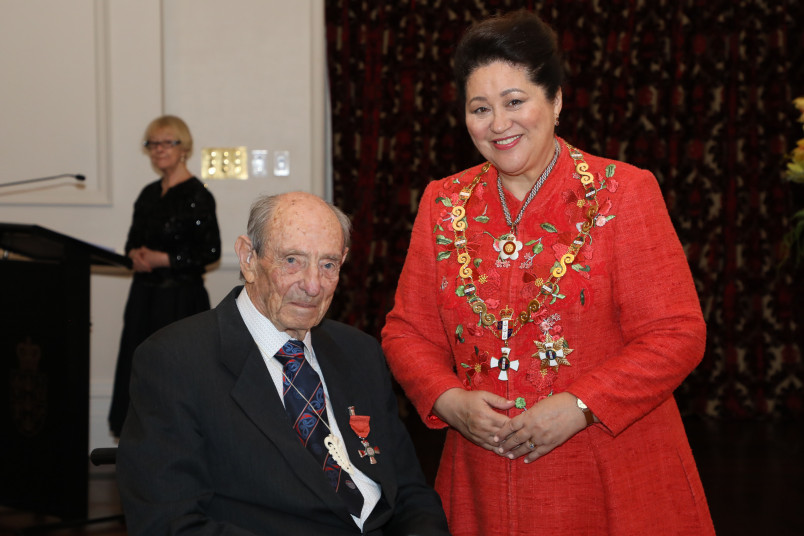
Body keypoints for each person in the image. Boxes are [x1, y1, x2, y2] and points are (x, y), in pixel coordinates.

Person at [382, 10, 715, 536]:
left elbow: (678, 333)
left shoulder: (623, 192)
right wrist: (449, 400)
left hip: (608, 467)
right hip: (481, 475)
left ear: (556, 101)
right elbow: (407, 331)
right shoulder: (443, 202)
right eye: (480, 108)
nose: (498, 124)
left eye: (515, 102)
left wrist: (583, 404)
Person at [117, 191, 450, 535]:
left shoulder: (360, 352)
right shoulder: (175, 361)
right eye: (292, 260)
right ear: (248, 258)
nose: (313, 285)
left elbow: (410, 492)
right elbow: (168, 523)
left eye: (328, 264)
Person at [108, 115, 221, 437]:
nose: (158, 150)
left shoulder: (198, 196)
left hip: (180, 301)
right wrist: (135, 255)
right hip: (144, 296)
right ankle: (139, 442)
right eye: (152, 144)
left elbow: (210, 252)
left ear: (183, 148)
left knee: (177, 375)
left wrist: (165, 259)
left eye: (166, 143)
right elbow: (133, 240)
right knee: (139, 368)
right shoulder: (147, 194)